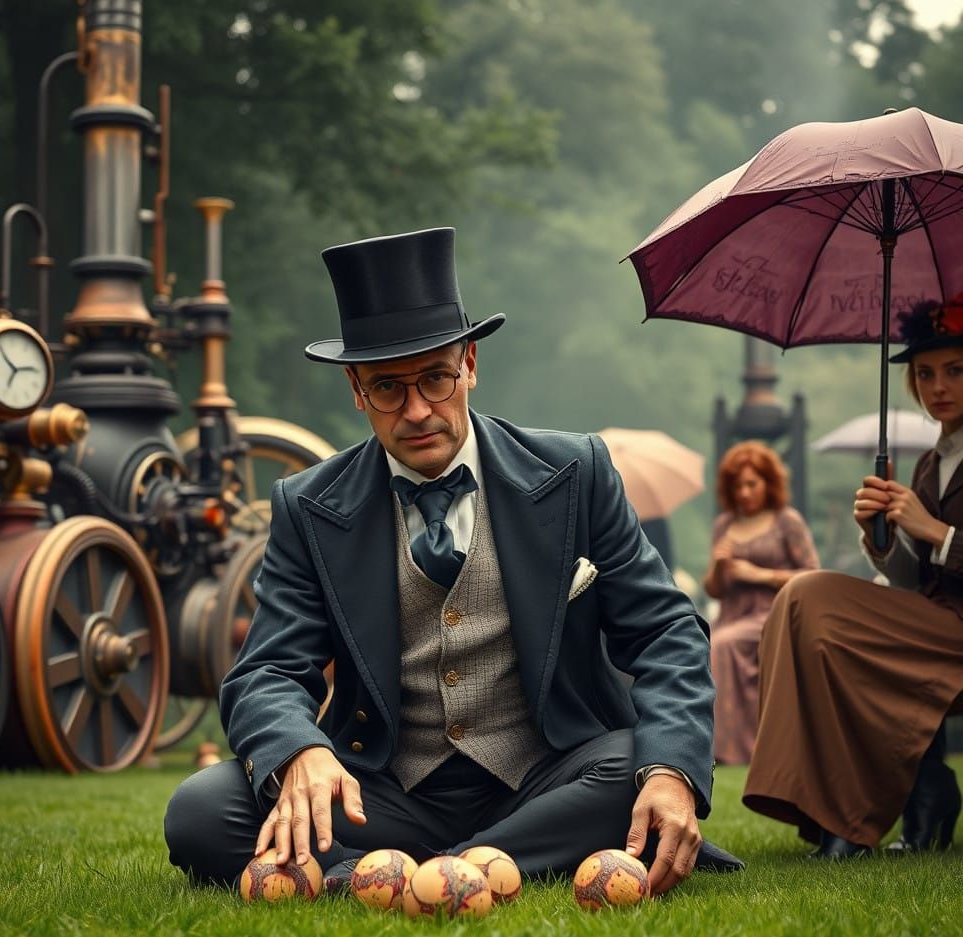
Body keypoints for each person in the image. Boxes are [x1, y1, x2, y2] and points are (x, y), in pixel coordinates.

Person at [164, 226, 741, 896]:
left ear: (469, 363)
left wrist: (669, 772)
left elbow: (668, 632)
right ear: (356, 387)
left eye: (435, 378)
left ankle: (392, 876)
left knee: (630, 765)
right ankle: (485, 865)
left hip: (549, 778)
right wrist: (301, 752)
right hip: (380, 794)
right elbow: (265, 668)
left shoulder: (576, 471)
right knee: (203, 811)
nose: (416, 410)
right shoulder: (306, 504)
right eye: (387, 388)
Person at [743, 294, 963, 859]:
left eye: (956, 370)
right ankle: (840, 809)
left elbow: (941, 549)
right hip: (934, 622)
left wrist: (933, 529)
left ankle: (885, 801)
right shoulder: (931, 462)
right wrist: (880, 536)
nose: (939, 386)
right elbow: (914, 582)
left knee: (814, 603)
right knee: (803, 600)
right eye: (925, 373)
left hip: (952, 633)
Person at [703, 442, 819, 764]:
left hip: (774, 613)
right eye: (737, 485)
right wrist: (717, 564)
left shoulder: (786, 521)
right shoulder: (724, 525)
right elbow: (714, 589)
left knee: (723, 645)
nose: (744, 493)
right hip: (731, 615)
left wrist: (760, 575)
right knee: (704, 643)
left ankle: (737, 752)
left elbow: (812, 575)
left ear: (768, 483)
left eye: (751, 484)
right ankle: (716, 748)